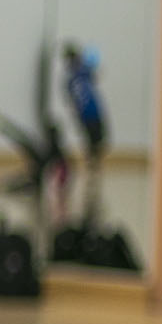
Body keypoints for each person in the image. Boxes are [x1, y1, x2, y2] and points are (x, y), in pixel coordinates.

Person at [62, 42, 107, 225]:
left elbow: (71, 100)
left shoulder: (71, 78)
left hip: (86, 114)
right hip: (91, 113)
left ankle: (92, 168)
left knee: (94, 142)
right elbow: (97, 71)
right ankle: (92, 170)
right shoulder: (81, 73)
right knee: (95, 142)